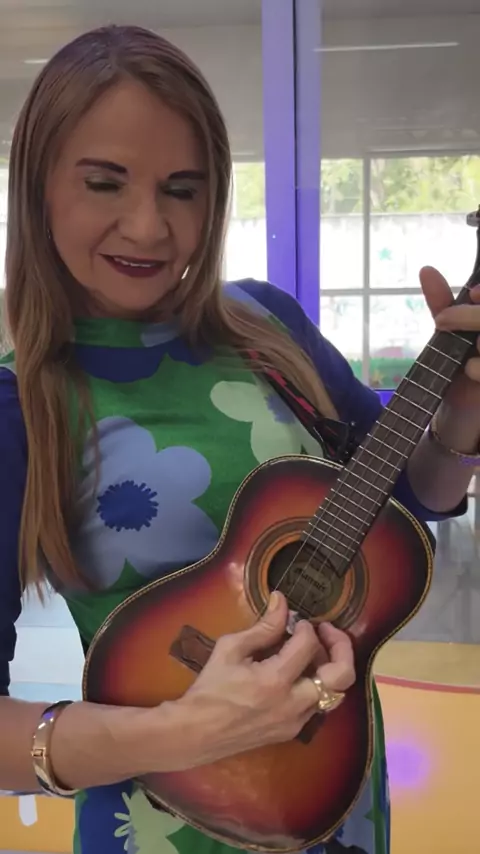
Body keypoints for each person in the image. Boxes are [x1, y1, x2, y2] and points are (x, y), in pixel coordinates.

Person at [0, 23, 479, 854]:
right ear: (39, 186)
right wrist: (186, 731)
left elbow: (406, 504)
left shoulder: (266, 324)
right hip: (156, 830)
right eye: (105, 183)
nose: (148, 228)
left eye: (182, 190)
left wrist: (461, 418)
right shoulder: (21, 405)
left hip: (335, 798)